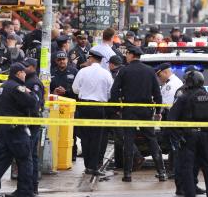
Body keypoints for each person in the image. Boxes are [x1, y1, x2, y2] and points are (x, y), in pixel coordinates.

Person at [110, 46, 167, 182]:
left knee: (129, 141)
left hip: (129, 110)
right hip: (145, 110)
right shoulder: (149, 71)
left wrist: (117, 108)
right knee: (151, 139)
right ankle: (161, 172)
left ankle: (127, 174)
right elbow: (157, 94)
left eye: (127, 54)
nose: (126, 56)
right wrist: (158, 112)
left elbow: (114, 91)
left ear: (131, 55)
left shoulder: (124, 70)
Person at [0, 63, 38, 197]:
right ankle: (25, 191)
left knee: (1, 162)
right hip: (17, 130)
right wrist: (32, 94)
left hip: (5, 129)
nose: (25, 75)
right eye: (23, 73)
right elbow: (32, 102)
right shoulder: (17, 87)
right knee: (25, 160)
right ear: (18, 73)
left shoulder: (3, 86)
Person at [168, 70, 208, 197]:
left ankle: (190, 194)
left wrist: (178, 136)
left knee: (187, 167)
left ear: (188, 82)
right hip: (205, 136)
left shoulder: (183, 98)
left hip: (188, 137)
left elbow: (171, 118)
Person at [72, 50, 114, 175]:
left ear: (91, 58)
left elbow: (75, 89)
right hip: (99, 107)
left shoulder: (82, 71)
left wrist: (84, 91)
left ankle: (87, 165)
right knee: (97, 137)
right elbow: (110, 93)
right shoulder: (106, 74)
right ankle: (93, 166)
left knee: (85, 136)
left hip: (84, 106)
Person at [156, 63, 185, 179]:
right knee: (171, 144)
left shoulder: (172, 84)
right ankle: (171, 169)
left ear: (165, 72)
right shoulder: (170, 83)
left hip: (171, 115)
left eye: (159, 75)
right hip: (171, 115)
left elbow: (166, 103)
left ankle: (173, 170)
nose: (159, 78)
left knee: (173, 145)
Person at [50, 51, 80, 159]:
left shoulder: (74, 71)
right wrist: (53, 92)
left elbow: (78, 90)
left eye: (64, 59)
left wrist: (66, 92)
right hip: (55, 106)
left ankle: (72, 154)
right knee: (56, 131)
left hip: (70, 107)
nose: (62, 61)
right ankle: (56, 153)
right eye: (59, 59)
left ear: (67, 60)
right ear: (56, 61)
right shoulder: (51, 73)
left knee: (72, 132)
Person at [22, 58, 44, 195]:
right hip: (30, 122)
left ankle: (32, 186)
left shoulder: (34, 82)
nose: (24, 69)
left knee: (30, 155)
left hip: (32, 122)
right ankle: (31, 186)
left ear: (33, 67)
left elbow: (35, 104)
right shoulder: (28, 81)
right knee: (31, 155)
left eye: (26, 67)